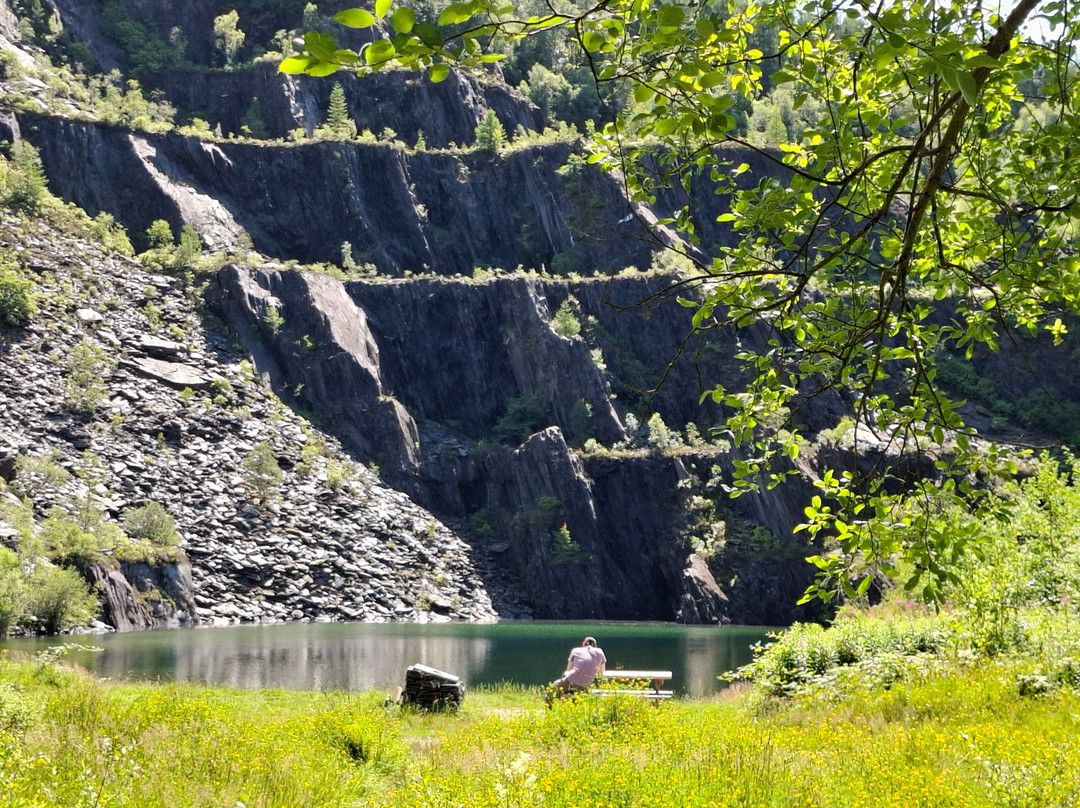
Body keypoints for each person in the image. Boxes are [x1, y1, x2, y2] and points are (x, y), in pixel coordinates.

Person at [549, 636, 607, 701]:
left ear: (583, 644)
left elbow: (569, 669)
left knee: (553, 686)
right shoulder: (600, 652)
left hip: (570, 681)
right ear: (595, 646)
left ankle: (549, 706)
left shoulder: (576, 650)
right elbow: (601, 671)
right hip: (585, 686)